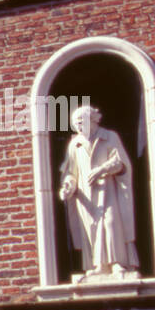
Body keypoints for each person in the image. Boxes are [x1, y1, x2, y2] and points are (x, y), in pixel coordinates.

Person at [58, 105, 139, 279]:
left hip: (107, 190)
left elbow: (121, 163)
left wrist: (102, 170)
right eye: (76, 124)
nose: (79, 126)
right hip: (85, 195)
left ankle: (118, 263)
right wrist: (68, 186)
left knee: (111, 223)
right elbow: (71, 172)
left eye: (82, 122)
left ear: (92, 120)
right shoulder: (75, 144)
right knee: (91, 228)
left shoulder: (109, 137)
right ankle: (98, 265)